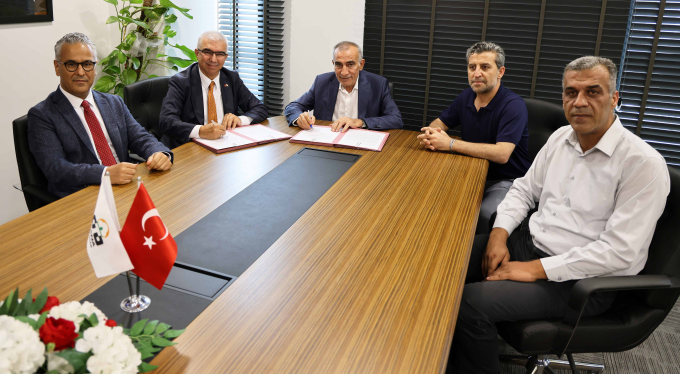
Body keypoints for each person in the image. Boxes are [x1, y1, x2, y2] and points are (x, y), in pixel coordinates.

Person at [448, 56, 670, 374]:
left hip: (580, 281)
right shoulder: (560, 138)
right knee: (441, 259)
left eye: (593, 92)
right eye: (570, 92)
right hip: (528, 244)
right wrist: (499, 234)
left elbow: (620, 253)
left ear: (614, 99)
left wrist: (534, 269)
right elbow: (524, 190)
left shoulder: (642, 163)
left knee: (468, 304)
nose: (579, 102)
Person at [28, 33, 173, 198]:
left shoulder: (113, 102)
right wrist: (106, 173)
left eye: (87, 64)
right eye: (71, 64)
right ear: (57, 67)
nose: (80, 72)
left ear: (95, 67)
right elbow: (56, 169)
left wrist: (159, 153)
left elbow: (140, 137)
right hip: (83, 196)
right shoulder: (42, 115)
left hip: (125, 188)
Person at [418, 41, 531, 234]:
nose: (476, 73)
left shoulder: (513, 105)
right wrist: (434, 132)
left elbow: (502, 154)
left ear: (500, 72)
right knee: (430, 199)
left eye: (485, 67)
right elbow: (440, 122)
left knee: (483, 216)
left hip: (507, 180)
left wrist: (450, 144)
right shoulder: (466, 96)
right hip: (472, 171)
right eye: (472, 67)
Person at [159, 31, 268, 147]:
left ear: (225, 57)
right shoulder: (181, 82)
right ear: (197, 53)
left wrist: (240, 120)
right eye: (208, 52)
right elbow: (166, 121)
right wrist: (201, 131)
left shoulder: (231, 78)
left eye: (220, 54)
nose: (213, 59)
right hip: (189, 147)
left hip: (225, 145)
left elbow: (259, 108)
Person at [284, 41, 403, 132]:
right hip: (326, 141)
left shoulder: (378, 84)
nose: (344, 72)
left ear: (361, 64)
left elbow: (396, 119)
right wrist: (299, 118)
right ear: (333, 64)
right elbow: (293, 107)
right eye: (339, 65)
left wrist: (359, 122)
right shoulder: (322, 82)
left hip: (361, 143)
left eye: (350, 65)